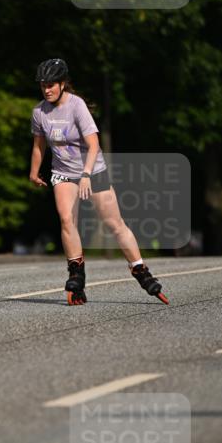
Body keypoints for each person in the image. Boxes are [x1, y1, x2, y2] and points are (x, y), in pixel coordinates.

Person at [29, 57, 169, 306]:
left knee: (114, 224)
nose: (47, 89)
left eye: (51, 84)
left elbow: (94, 144)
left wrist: (86, 175)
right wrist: (34, 171)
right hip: (62, 172)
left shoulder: (77, 106)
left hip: (94, 171)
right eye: (43, 85)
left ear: (62, 84)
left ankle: (139, 270)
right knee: (66, 219)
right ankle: (76, 274)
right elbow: (39, 144)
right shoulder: (40, 112)